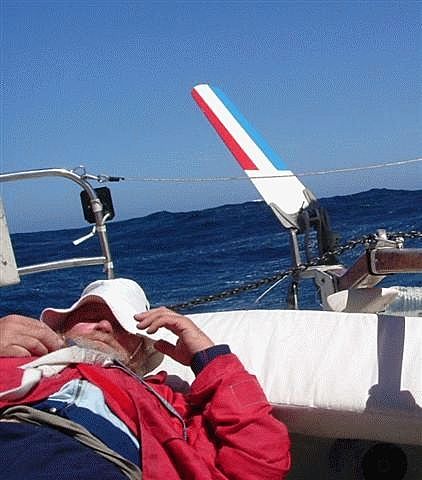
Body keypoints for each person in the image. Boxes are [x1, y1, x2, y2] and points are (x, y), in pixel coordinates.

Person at [0, 278, 291, 480]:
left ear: (139, 353)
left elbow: (260, 463)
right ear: (62, 328)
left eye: (122, 325)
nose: (105, 325)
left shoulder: (169, 404)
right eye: (91, 315)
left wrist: (208, 357)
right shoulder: (13, 350)